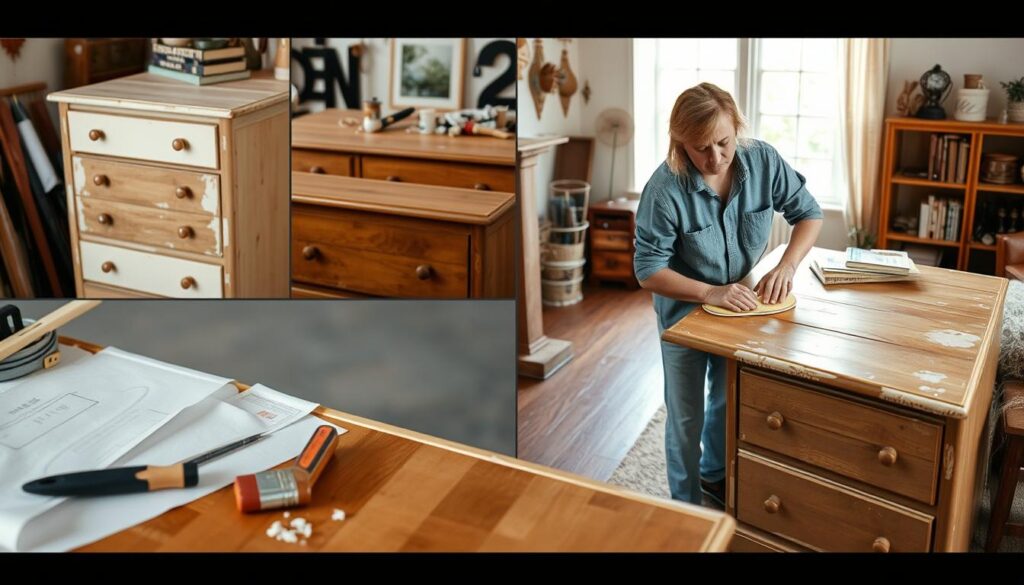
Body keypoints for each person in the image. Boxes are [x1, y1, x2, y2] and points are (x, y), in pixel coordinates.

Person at [633, 82, 823, 506]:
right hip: (683, 312)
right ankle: (686, 506)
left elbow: (808, 213)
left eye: (723, 142)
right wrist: (709, 292)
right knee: (685, 416)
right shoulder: (664, 189)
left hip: (739, 305)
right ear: (679, 143)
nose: (715, 159)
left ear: (738, 128)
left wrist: (786, 265)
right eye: (700, 148)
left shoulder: (763, 159)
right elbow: (648, 270)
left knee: (726, 397)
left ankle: (713, 477)